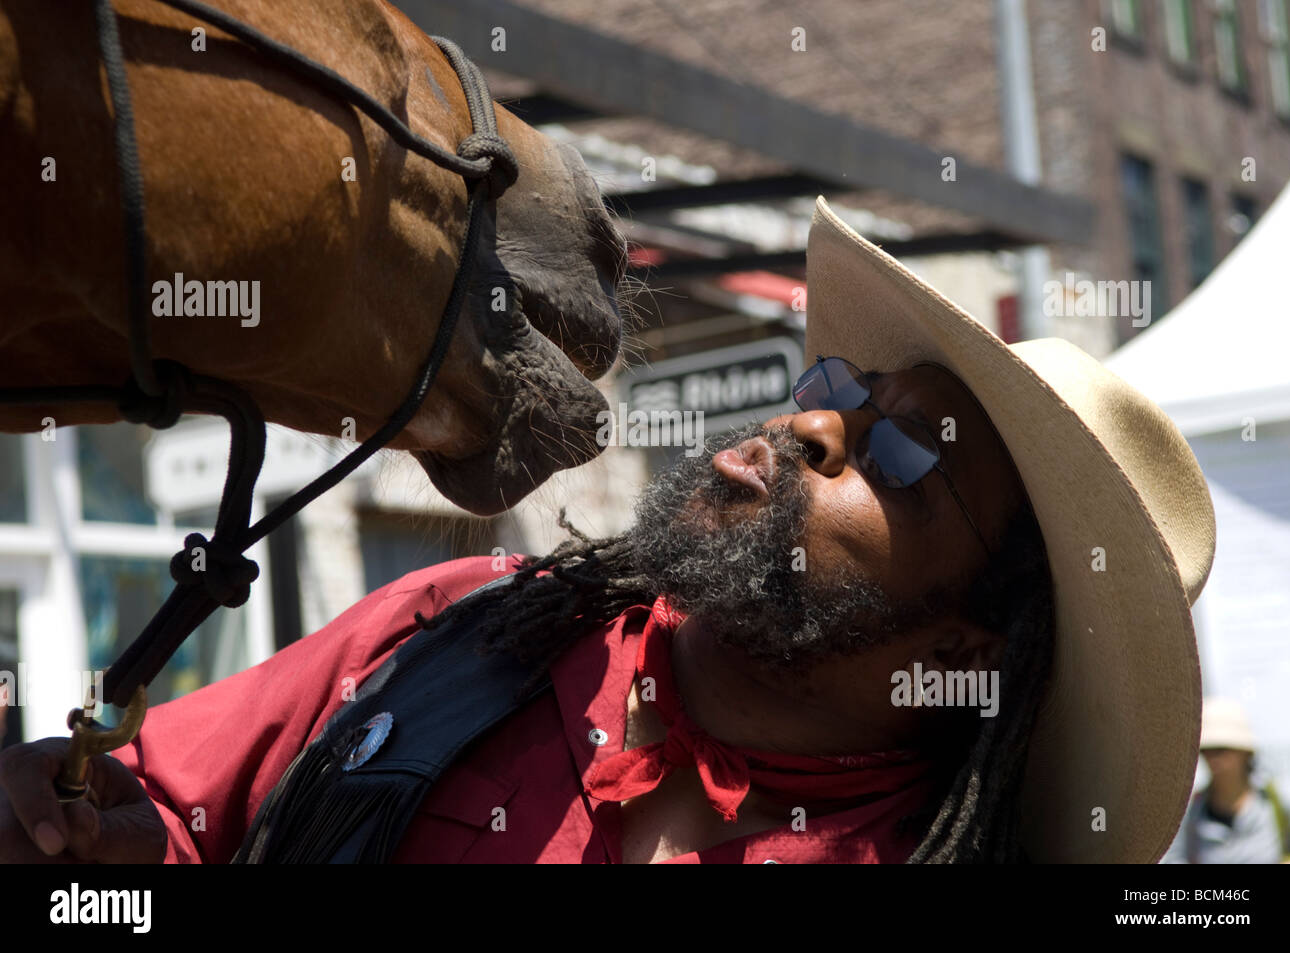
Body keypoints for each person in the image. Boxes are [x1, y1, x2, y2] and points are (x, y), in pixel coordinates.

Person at [0, 197, 1217, 864]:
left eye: (902, 460)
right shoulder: (457, 626)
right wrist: (68, 841)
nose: (814, 425)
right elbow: (161, 825)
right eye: (841, 389)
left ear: (971, 649)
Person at [1162, 697, 1290, 863]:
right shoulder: (1191, 808)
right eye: (1207, 750)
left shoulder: (1278, 799)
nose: (1213, 759)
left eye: (1221, 750)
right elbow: (1173, 859)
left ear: (1245, 753)